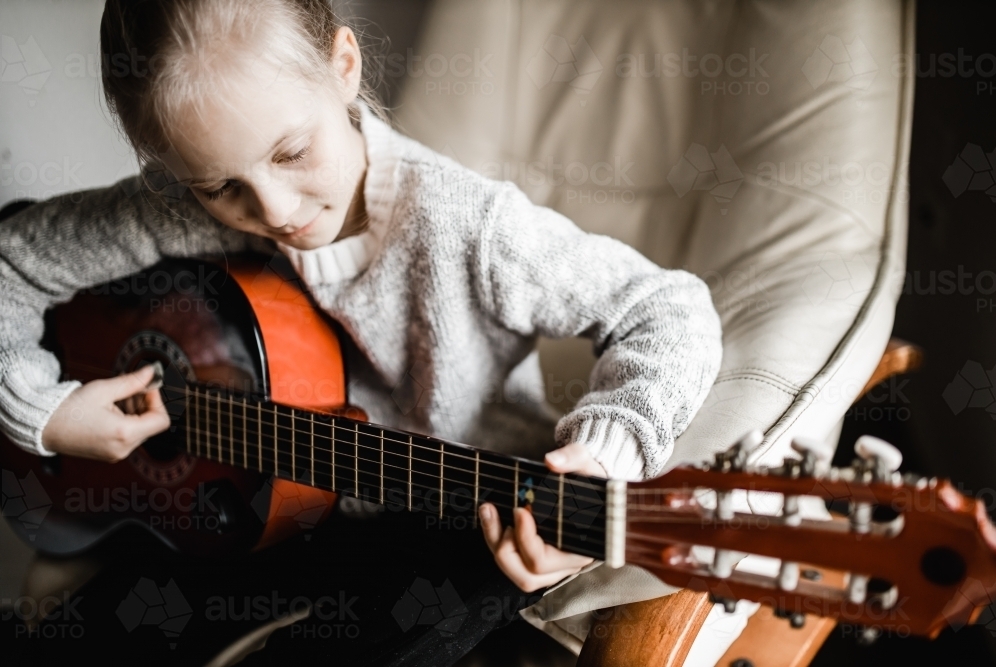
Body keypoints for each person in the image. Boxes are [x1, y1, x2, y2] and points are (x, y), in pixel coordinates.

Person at [0, 0, 720, 617]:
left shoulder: (464, 224)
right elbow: (12, 258)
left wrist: (600, 457)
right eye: (219, 186)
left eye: (291, 152)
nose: (273, 211)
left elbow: (668, 309)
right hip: (264, 521)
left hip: (456, 521)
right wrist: (43, 409)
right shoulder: (179, 213)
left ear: (344, 65)